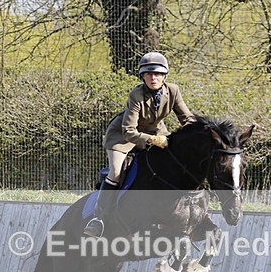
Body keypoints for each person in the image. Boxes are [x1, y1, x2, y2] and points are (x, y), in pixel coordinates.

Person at [83, 51, 194, 237]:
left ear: (165, 75)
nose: (153, 77)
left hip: (156, 131)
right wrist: (151, 140)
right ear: (142, 76)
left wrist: (198, 133)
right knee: (116, 171)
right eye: (149, 74)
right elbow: (129, 131)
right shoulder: (136, 94)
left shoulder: (173, 90)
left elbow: (187, 118)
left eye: (158, 73)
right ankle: (98, 219)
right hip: (122, 136)